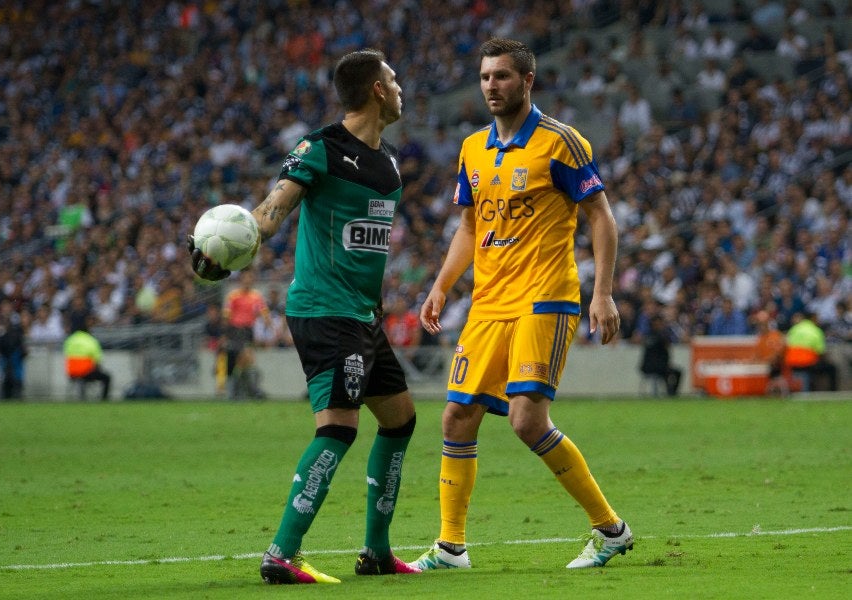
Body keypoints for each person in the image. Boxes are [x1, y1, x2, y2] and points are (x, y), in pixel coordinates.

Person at [188, 49, 419, 584]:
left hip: (363, 313)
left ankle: (376, 553)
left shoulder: (387, 164)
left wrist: (376, 299)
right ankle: (282, 554)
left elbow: (367, 243)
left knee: (400, 418)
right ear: (377, 91)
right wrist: (223, 250)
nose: (401, 85)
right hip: (324, 310)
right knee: (338, 428)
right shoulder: (320, 148)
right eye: (394, 77)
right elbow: (271, 213)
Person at [409, 38, 632, 573]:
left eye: (502, 76)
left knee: (527, 421)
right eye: (485, 77)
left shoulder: (562, 143)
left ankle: (610, 530)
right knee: (457, 416)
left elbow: (600, 216)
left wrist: (601, 292)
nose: (491, 86)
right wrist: (441, 284)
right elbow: (469, 225)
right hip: (488, 303)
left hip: (546, 297)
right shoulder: (472, 148)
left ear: (527, 81)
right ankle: (451, 547)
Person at [222, 270, 268, 399]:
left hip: (249, 331)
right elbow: (226, 316)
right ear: (241, 280)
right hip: (236, 330)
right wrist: (225, 334)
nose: (247, 280)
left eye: (250, 278)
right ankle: (251, 390)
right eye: (245, 278)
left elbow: (264, 313)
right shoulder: (233, 296)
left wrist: (267, 329)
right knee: (247, 358)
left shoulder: (256, 296)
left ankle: (237, 391)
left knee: (243, 362)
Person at [783, 311, 838, 392]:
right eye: (817, 318)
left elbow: (786, 344)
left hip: (791, 362)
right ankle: (832, 393)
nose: (819, 321)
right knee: (831, 368)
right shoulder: (816, 330)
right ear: (813, 318)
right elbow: (820, 352)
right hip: (807, 362)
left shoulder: (795, 328)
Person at [63, 322, 111, 401]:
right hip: (87, 372)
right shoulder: (91, 340)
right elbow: (97, 359)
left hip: (72, 373)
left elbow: (66, 354)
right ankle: (104, 399)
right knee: (107, 377)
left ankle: (81, 396)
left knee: (82, 377)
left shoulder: (69, 340)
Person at [640, 314, 683, 397]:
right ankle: (670, 393)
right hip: (652, 366)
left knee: (675, 372)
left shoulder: (651, 335)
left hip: (657, 365)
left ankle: (671, 392)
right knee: (669, 372)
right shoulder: (655, 335)